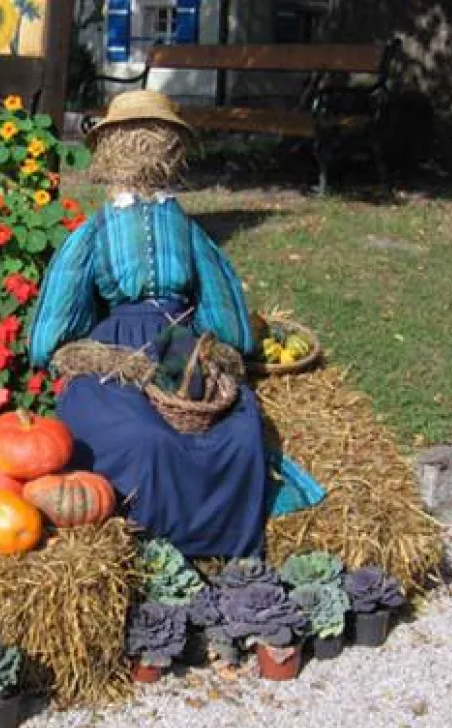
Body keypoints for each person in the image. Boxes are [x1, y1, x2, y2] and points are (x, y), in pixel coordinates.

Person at [28, 91, 323, 558]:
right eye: (129, 135)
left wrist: (225, 347)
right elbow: (59, 313)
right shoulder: (94, 232)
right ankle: (152, 548)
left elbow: (219, 298)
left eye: (155, 136)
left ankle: (225, 548)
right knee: (141, 436)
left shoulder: (188, 231)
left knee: (235, 431)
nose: (143, 144)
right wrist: (76, 352)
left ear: (174, 148)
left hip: (179, 342)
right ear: (108, 147)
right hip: (117, 346)